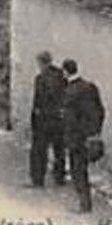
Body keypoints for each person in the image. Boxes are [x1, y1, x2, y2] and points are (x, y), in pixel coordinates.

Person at [61, 59, 104, 213]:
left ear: (65, 72)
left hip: (76, 139)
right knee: (82, 170)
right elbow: (100, 111)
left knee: (77, 171)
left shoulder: (70, 92)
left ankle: (84, 204)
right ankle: (86, 203)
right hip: (90, 136)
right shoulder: (90, 87)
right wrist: (96, 132)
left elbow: (69, 119)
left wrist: (68, 138)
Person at [28, 51, 67, 187]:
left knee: (39, 150)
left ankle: (38, 179)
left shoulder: (40, 78)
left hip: (44, 119)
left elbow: (37, 101)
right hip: (59, 119)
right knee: (59, 149)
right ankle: (60, 177)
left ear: (41, 63)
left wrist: (33, 120)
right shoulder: (61, 76)